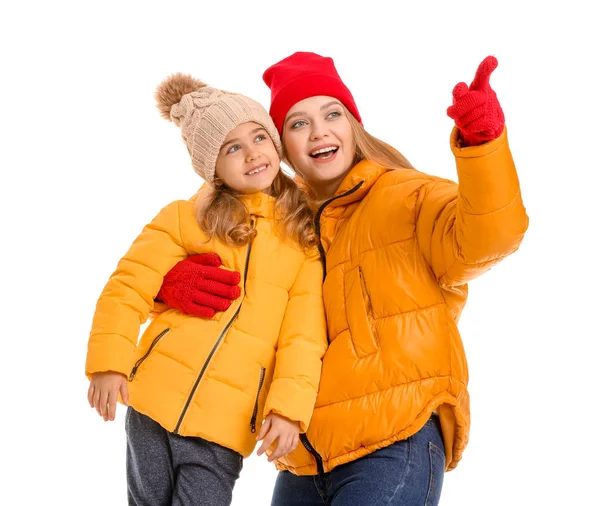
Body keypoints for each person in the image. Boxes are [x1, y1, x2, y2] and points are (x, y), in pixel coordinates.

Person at [158, 52, 529, 505]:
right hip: (304, 457)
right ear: (281, 148)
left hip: (395, 437)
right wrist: (165, 287)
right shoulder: (277, 228)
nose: (318, 132)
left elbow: (489, 236)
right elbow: (242, 325)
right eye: (297, 123)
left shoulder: (407, 195)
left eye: (332, 113)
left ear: (353, 125)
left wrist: (483, 144)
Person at [85, 73, 328, 506]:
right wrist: (109, 363)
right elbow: (128, 286)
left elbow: (303, 338)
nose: (252, 153)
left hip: (225, 424)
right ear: (211, 167)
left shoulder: (302, 243)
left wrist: (288, 408)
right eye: (232, 147)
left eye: (259, 137)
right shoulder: (184, 218)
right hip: (151, 400)